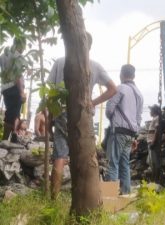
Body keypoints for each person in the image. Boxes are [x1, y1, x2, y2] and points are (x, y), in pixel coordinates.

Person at [48, 32, 117, 199]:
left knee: (60, 156)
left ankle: (53, 199)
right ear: (89, 47)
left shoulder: (59, 62)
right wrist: (92, 102)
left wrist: (49, 116)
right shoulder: (94, 65)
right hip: (83, 114)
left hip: (61, 112)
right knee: (85, 155)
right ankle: (86, 197)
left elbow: (50, 93)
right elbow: (113, 89)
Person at [105, 64, 143, 195]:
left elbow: (109, 109)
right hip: (131, 134)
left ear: (121, 74)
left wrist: (112, 119)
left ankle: (110, 196)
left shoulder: (120, 88)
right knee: (124, 164)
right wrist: (135, 137)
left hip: (119, 131)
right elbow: (138, 118)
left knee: (112, 163)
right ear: (133, 76)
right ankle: (126, 194)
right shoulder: (139, 94)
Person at [0, 38, 27, 140]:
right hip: (15, 88)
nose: (24, 49)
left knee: (12, 113)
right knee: (14, 114)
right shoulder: (18, 57)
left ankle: (10, 139)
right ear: (19, 44)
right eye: (24, 45)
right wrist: (21, 92)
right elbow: (18, 75)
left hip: (5, 89)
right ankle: (9, 138)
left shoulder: (3, 55)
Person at [146, 104, 162, 182]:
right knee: (152, 162)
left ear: (154, 111)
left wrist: (153, 142)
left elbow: (156, 131)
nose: (150, 112)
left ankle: (156, 180)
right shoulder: (154, 119)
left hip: (152, 143)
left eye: (151, 110)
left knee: (154, 162)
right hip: (150, 143)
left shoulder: (157, 118)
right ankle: (154, 179)